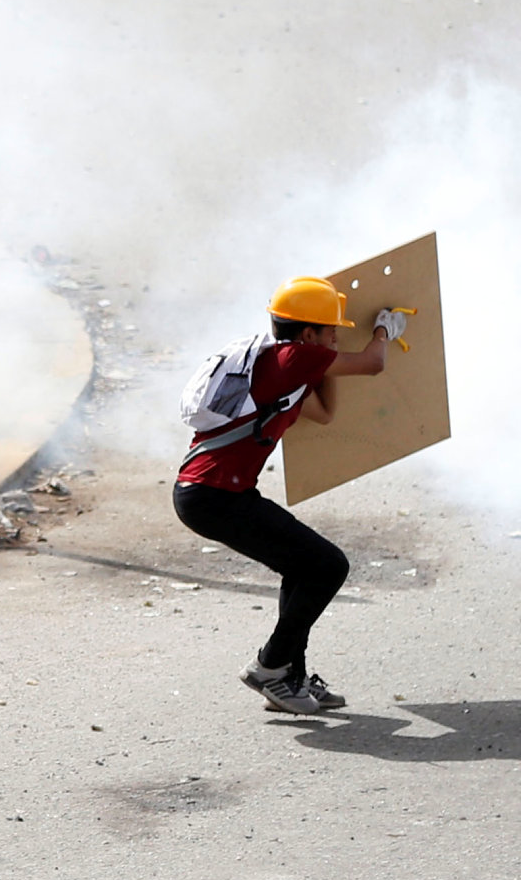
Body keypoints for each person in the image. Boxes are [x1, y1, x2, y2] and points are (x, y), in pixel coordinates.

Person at [173, 275, 408, 714]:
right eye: (330, 331)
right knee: (329, 565)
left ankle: (289, 681)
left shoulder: (288, 369)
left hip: (216, 495)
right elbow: (374, 363)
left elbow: (325, 414)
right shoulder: (291, 359)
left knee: (304, 568)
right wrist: (381, 332)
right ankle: (270, 667)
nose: (336, 338)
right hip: (214, 497)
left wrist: (326, 362)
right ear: (306, 335)